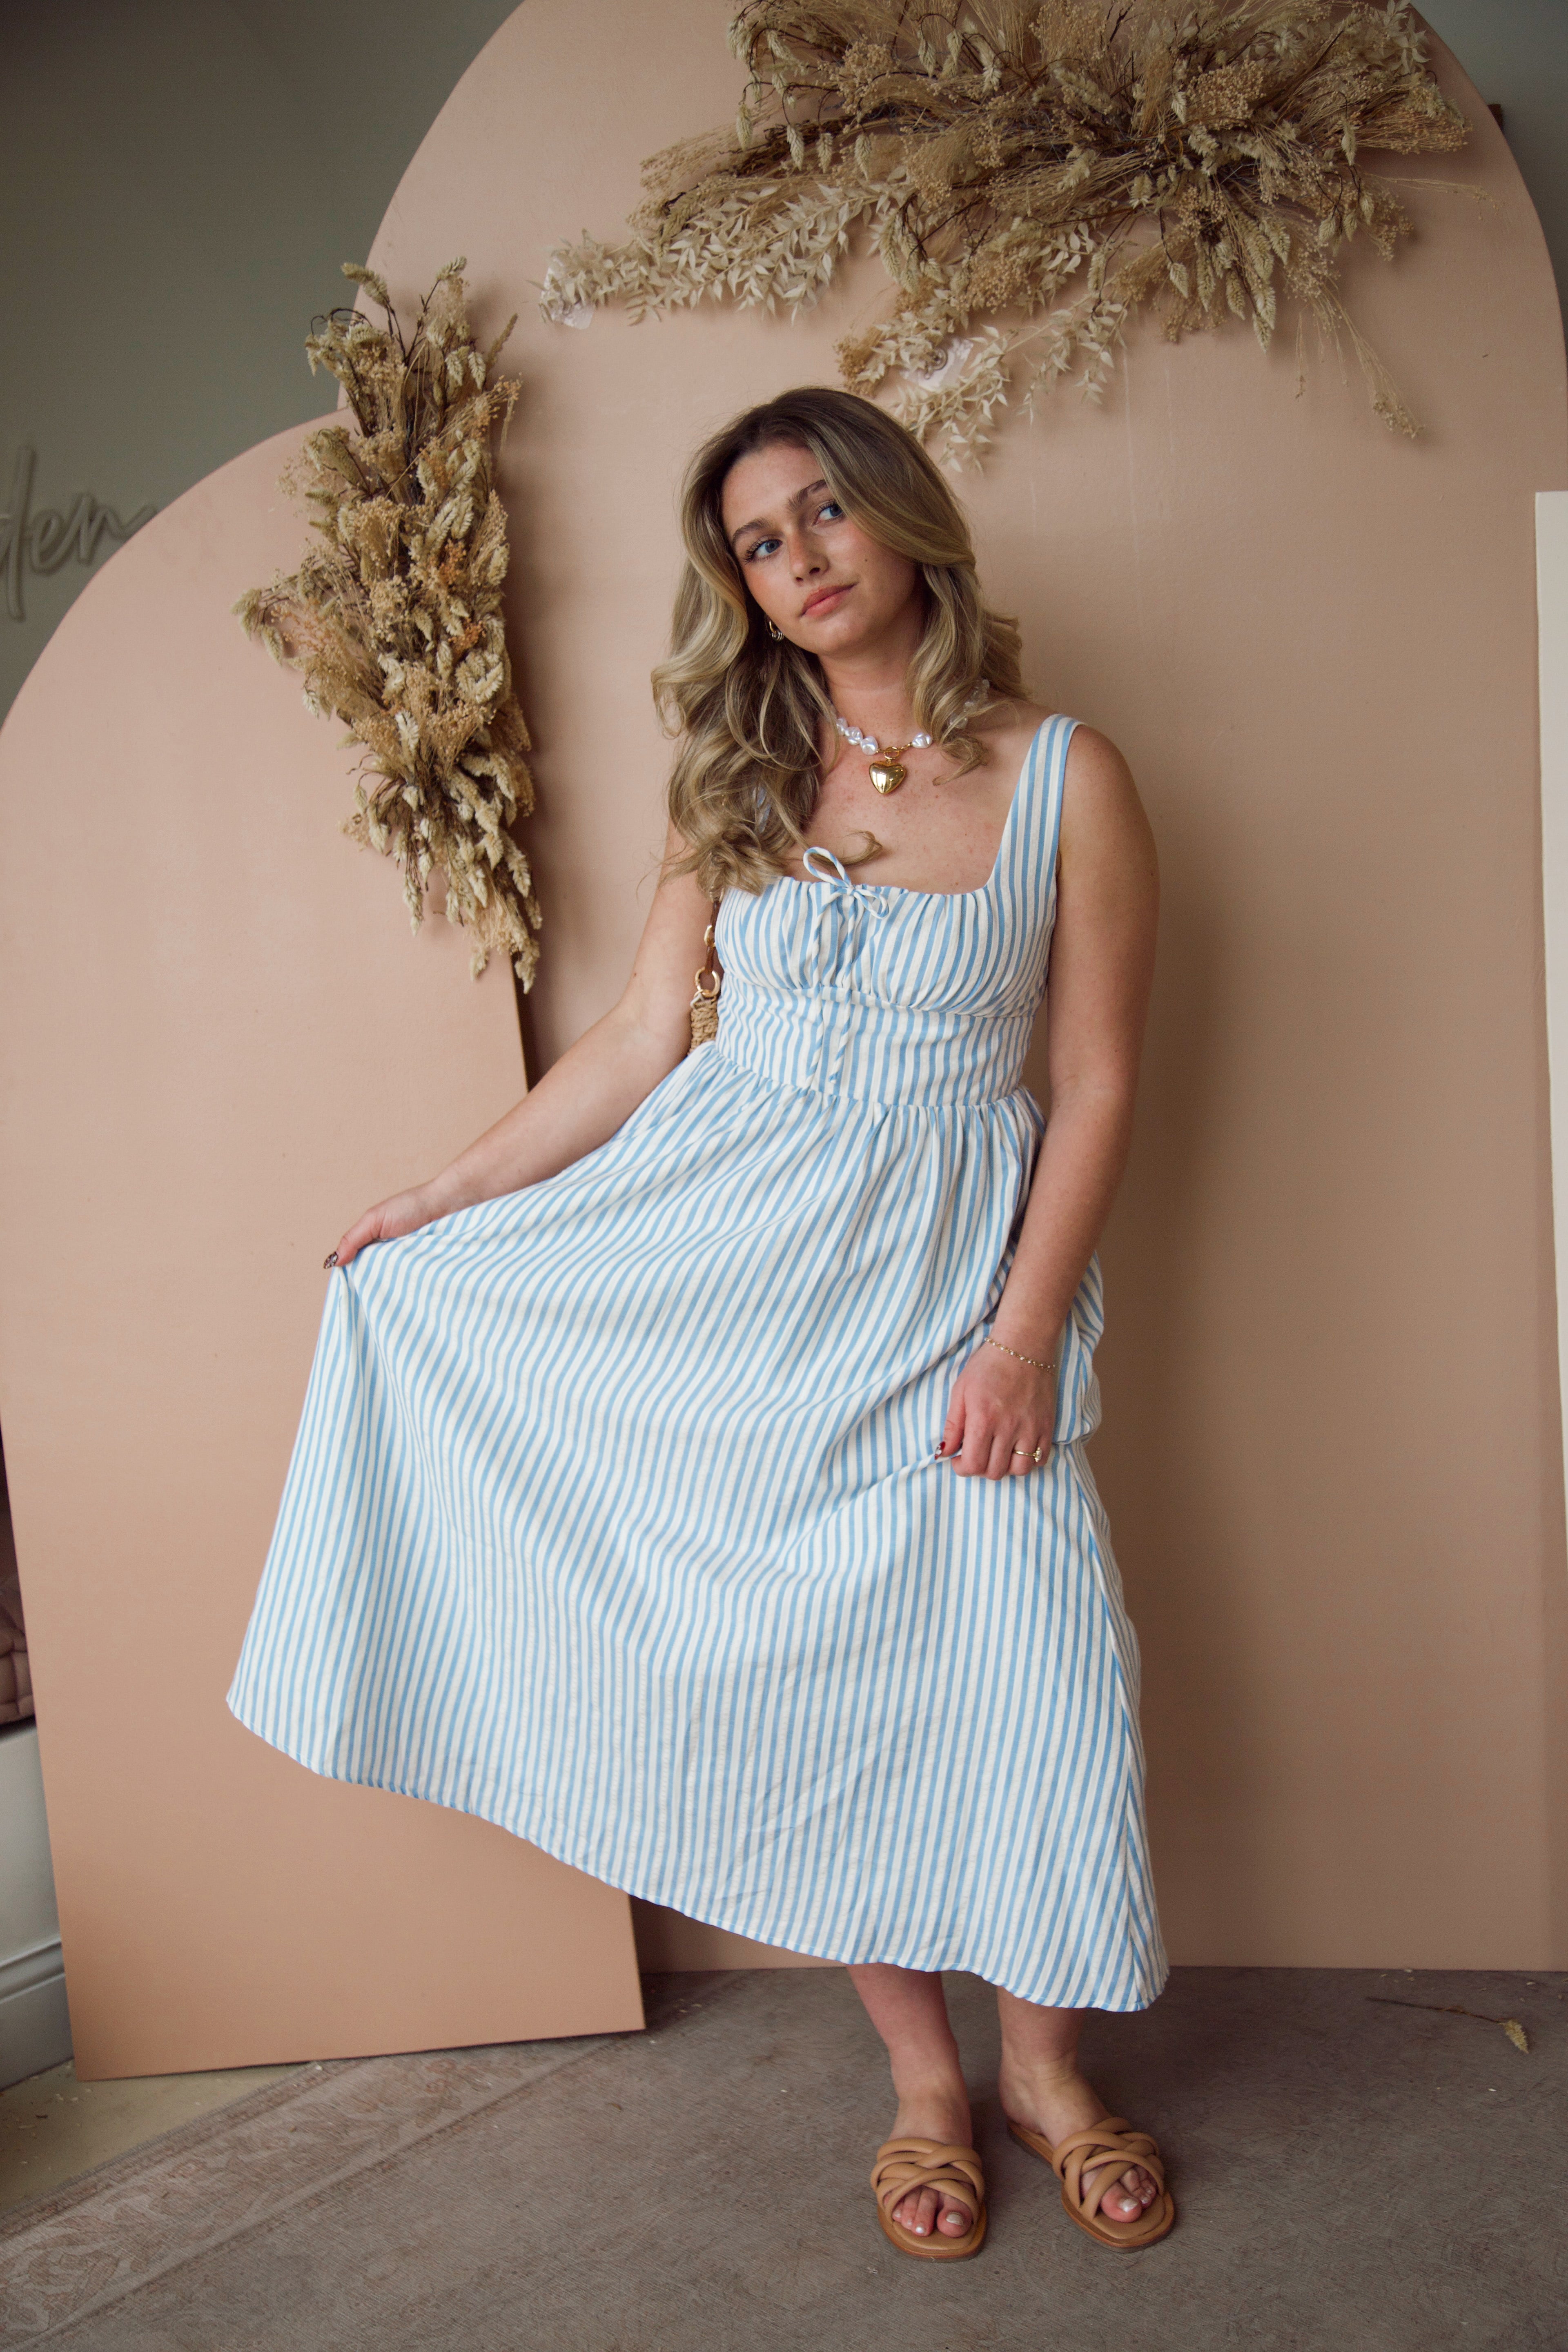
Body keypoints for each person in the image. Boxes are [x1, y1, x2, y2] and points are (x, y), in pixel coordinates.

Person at [229, 385, 1172, 2261]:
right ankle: (925, 2087)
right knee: (817, 1698)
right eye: (758, 541)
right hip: (731, 1300)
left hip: (947, 1306)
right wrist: (443, 1198)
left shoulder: (1071, 777)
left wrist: (1015, 1344)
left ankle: (1050, 2077)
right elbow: (643, 1037)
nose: (799, 559)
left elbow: (1097, 1086)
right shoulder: (736, 773)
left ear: (900, 515)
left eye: (824, 511)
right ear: (736, 584)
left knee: (1035, 1682)